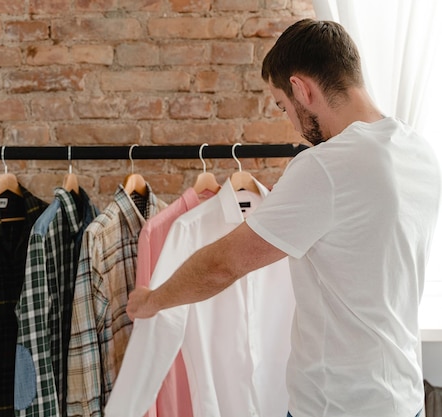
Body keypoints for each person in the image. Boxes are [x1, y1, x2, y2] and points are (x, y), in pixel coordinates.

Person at [126, 18, 440, 417]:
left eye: (282, 105)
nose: (290, 122)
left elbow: (223, 266)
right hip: (405, 399)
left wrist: (153, 299)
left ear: (301, 88)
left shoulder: (326, 167)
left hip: (338, 407)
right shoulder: (420, 152)